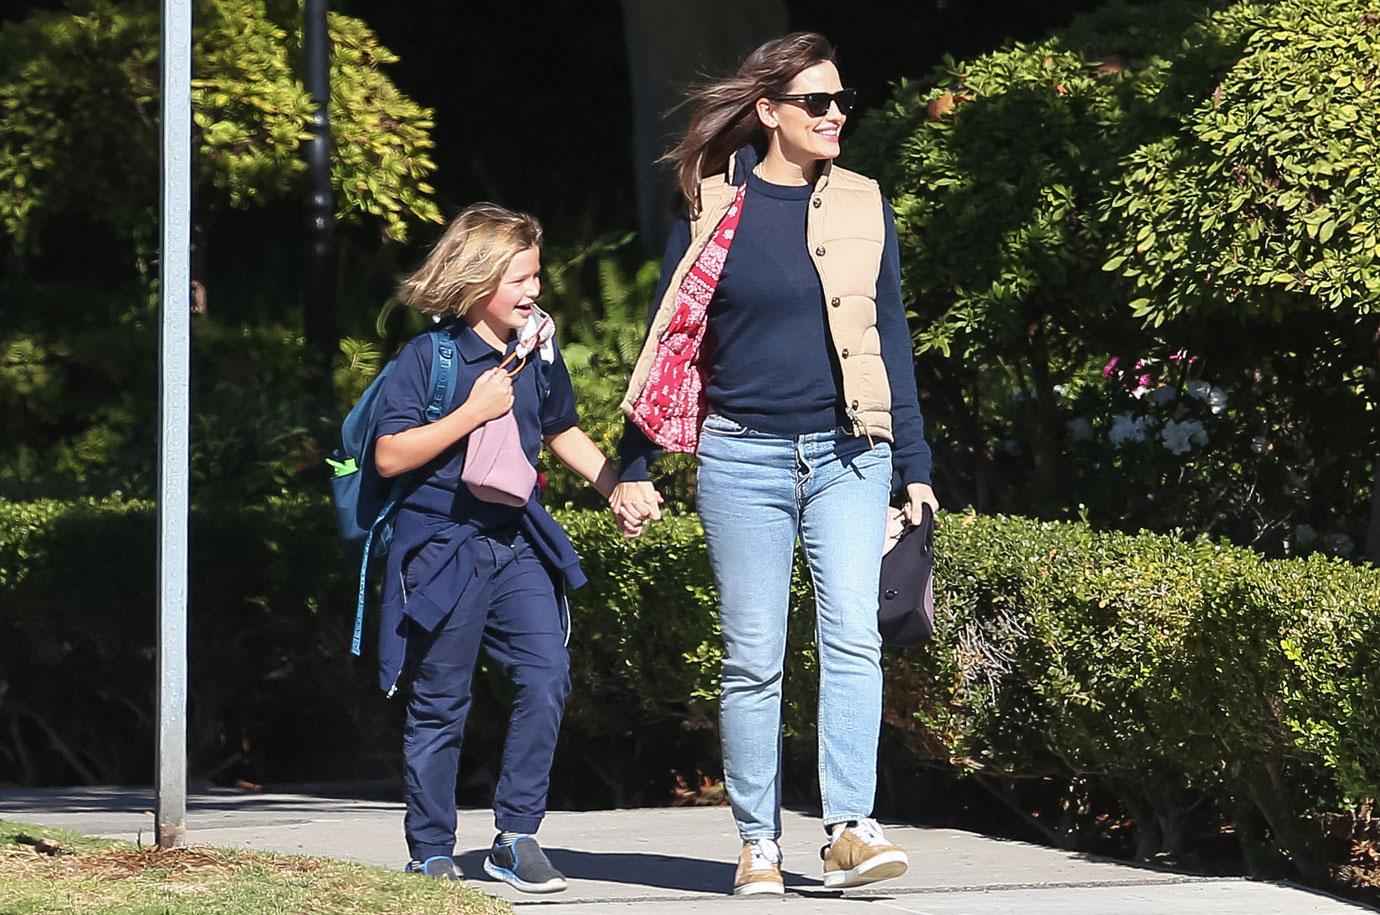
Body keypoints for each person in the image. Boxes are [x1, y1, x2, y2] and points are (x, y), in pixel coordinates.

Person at [610, 32, 939, 896]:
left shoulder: (866, 203)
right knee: (754, 654)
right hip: (742, 457)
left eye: (841, 101)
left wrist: (915, 458)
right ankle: (759, 842)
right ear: (768, 113)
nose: (835, 116)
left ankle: (850, 830)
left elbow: (891, 336)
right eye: (815, 103)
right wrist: (631, 461)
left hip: (849, 453)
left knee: (853, 639)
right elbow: (669, 337)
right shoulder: (712, 206)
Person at [372, 203, 634, 892]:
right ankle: (429, 850)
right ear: (478, 278)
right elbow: (391, 455)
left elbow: (561, 429)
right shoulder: (429, 357)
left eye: (536, 275)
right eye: (520, 277)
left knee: (547, 673)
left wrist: (616, 487)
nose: (534, 290)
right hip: (443, 548)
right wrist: (471, 412)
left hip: (515, 539)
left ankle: (516, 836)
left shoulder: (537, 351)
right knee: (441, 702)